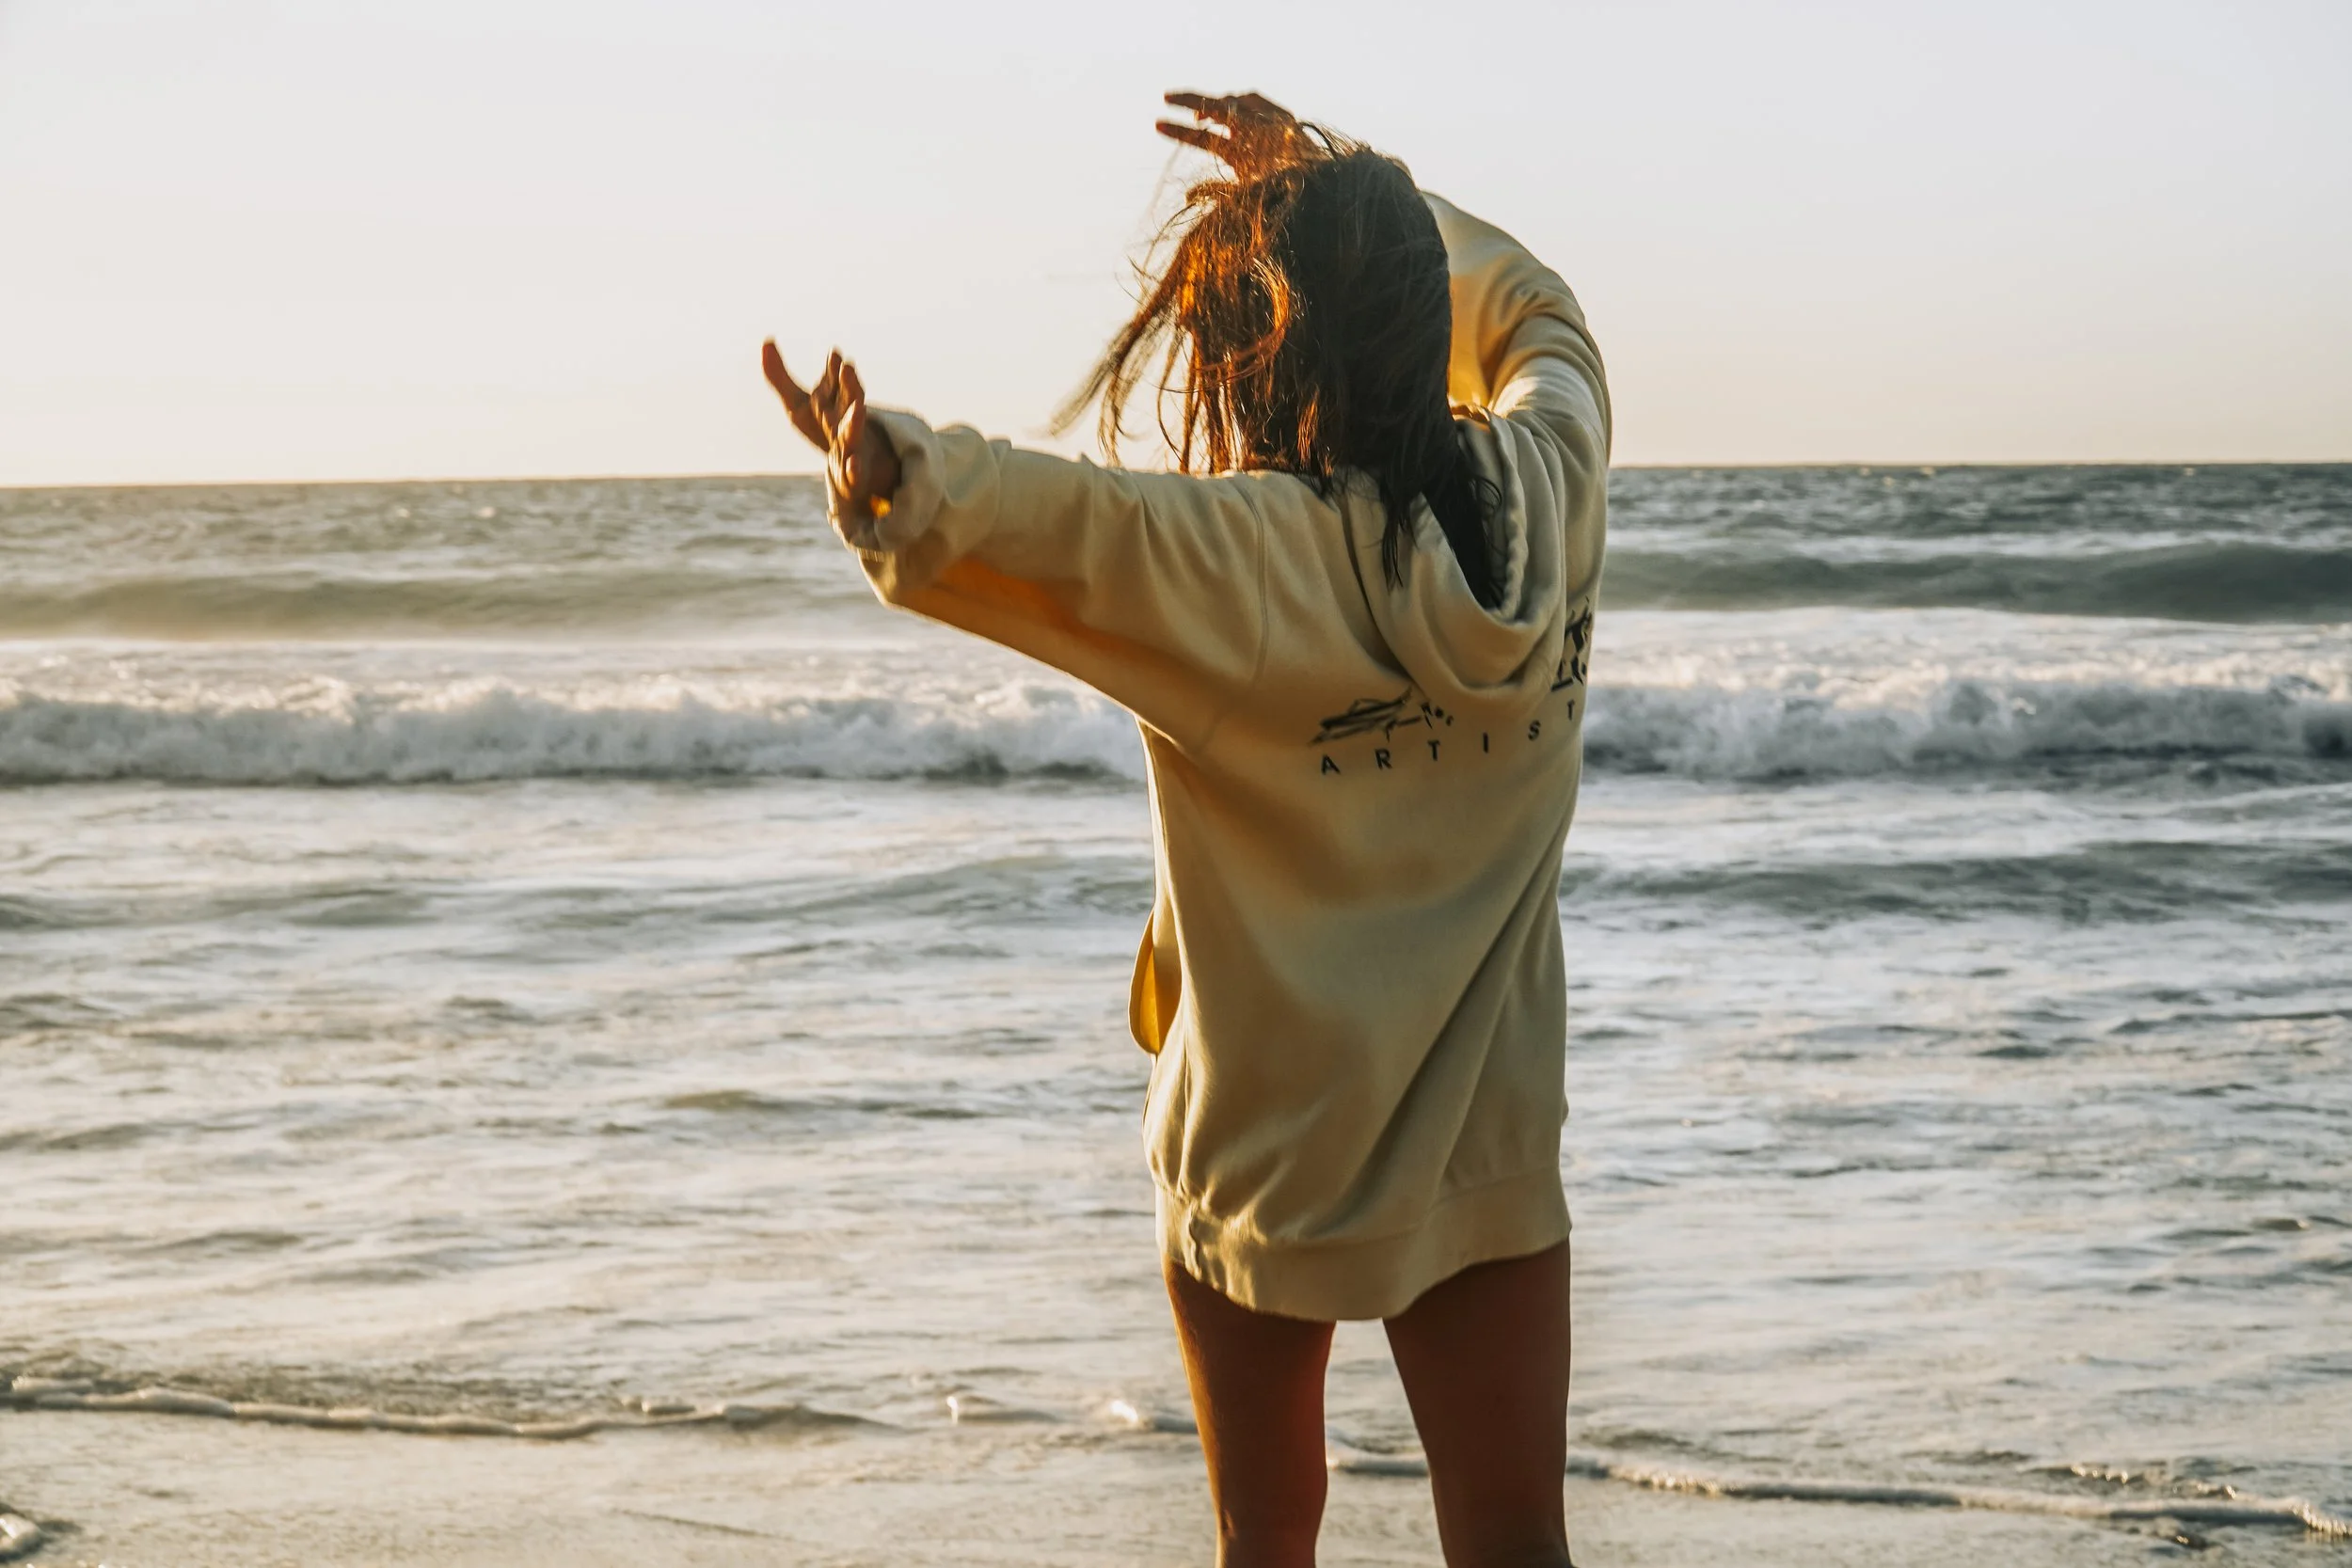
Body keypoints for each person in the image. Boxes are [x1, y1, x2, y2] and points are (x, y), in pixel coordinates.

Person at [761, 90, 1608, 1568]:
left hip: (1262, 1152)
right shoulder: (1552, 486)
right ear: (1422, 324)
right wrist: (1345, 182)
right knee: (1514, 1538)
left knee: (1265, 1538)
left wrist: (889, 467)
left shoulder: (1249, 561)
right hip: (1484, 1134)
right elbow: (1544, 316)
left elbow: (1065, 524)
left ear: (1262, 354)